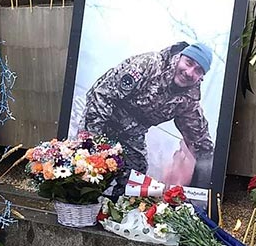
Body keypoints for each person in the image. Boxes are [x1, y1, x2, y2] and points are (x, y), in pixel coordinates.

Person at [82, 41, 216, 188]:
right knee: (87, 162)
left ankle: (117, 206)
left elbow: (201, 141)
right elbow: (101, 95)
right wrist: (92, 140)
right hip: (102, 117)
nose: (189, 73)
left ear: (201, 77)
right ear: (179, 57)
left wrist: (209, 183)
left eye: (198, 71)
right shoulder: (148, 65)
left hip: (132, 134)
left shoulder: (188, 101)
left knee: (136, 174)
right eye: (188, 63)